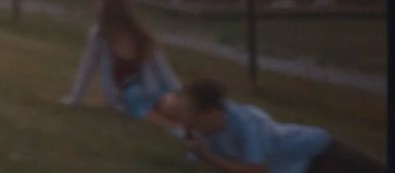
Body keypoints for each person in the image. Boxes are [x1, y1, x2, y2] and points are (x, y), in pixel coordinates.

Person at [159, 79, 387, 173]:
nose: (186, 119)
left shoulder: (247, 122)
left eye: (190, 114)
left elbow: (257, 168)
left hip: (318, 153)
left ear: (212, 113)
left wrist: (208, 157)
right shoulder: (201, 131)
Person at [61, 0, 181, 126]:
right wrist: (75, 98)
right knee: (154, 115)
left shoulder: (142, 38)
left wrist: (178, 92)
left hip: (152, 90)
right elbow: (87, 68)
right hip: (127, 98)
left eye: (103, 15)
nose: (100, 18)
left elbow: (163, 71)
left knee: (172, 107)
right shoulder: (99, 36)